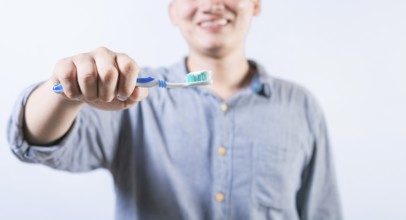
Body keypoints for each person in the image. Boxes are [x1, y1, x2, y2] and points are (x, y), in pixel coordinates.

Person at [8, 0, 342, 219]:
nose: (211, 4)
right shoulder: (129, 95)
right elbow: (35, 143)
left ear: (255, 4)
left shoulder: (301, 107)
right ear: (172, 9)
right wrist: (67, 93)